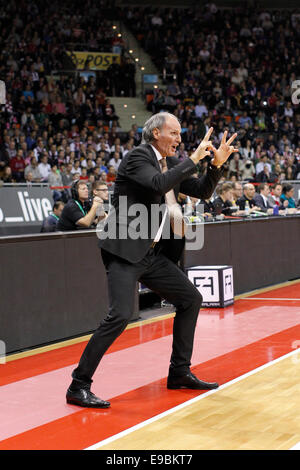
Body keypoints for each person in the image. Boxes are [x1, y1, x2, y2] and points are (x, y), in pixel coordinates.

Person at [66, 112, 238, 408]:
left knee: (191, 299)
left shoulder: (169, 163)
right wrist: (194, 159)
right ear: (156, 132)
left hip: (149, 254)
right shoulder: (137, 157)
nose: (179, 139)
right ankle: (78, 385)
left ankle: (179, 372)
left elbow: (202, 191)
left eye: (180, 134)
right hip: (123, 251)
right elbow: (158, 184)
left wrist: (215, 164)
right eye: (174, 133)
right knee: (119, 316)